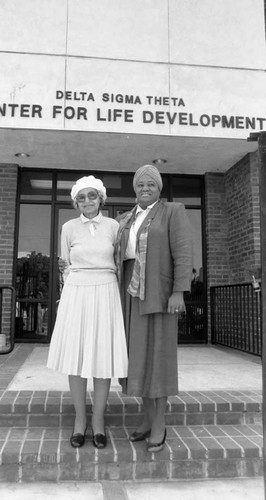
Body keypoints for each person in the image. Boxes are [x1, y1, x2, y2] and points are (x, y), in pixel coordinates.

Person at [115, 164, 193, 452]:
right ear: (134, 189)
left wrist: (179, 292)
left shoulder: (173, 212)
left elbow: (183, 253)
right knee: (137, 361)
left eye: (151, 185)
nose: (145, 189)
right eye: (140, 185)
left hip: (159, 297)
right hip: (129, 297)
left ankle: (160, 424)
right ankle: (148, 419)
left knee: (158, 363)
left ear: (159, 189)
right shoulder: (125, 219)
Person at [47, 175, 128, 449]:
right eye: (81, 197)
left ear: (101, 198)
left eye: (92, 195)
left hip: (106, 289)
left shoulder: (114, 226)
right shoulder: (68, 227)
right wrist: (64, 294)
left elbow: (121, 260)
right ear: (75, 202)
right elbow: (65, 265)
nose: (87, 201)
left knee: (102, 356)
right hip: (76, 290)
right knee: (77, 355)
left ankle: (98, 421)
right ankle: (80, 421)